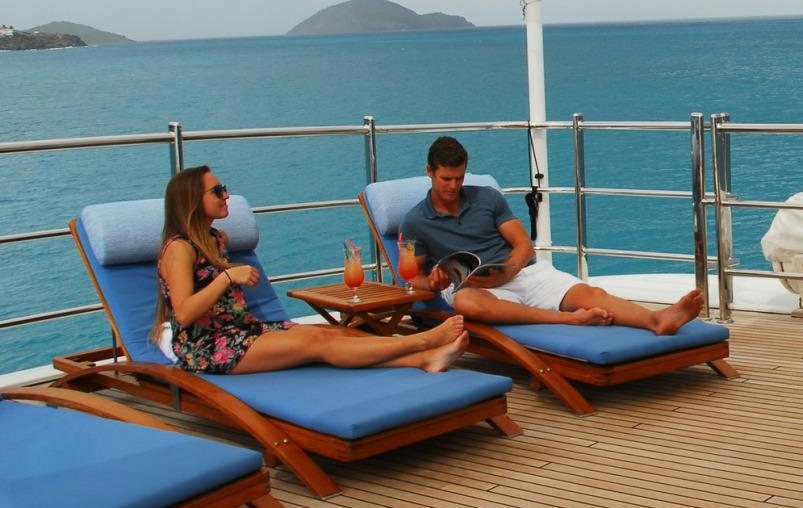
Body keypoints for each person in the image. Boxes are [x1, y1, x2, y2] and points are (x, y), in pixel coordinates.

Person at [154, 165, 469, 374]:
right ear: (194, 200)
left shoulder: (215, 238)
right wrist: (227, 277)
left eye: (224, 188)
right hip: (207, 347)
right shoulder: (179, 248)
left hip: (243, 331)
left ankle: (425, 359)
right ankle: (424, 341)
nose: (226, 195)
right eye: (217, 190)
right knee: (318, 344)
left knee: (333, 332)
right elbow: (183, 314)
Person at [405, 136, 705, 333]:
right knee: (467, 304)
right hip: (474, 288)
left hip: (518, 273)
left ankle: (656, 319)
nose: (453, 186)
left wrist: (508, 270)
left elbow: (523, 244)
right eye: (446, 178)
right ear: (429, 171)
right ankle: (568, 319)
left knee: (591, 294)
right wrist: (433, 281)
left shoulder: (487, 198)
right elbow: (410, 277)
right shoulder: (415, 220)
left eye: (459, 177)